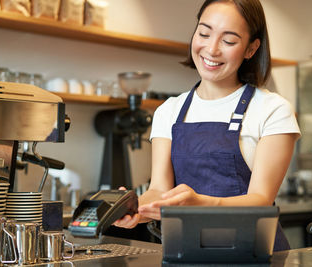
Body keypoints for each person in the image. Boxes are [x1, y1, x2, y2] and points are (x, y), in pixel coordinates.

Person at [114, 0, 300, 251]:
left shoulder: (271, 109)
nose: (211, 49)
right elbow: (160, 189)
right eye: (204, 33)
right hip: (186, 252)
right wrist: (136, 208)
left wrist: (200, 204)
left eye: (229, 41)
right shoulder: (169, 111)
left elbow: (261, 200)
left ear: (251, 49)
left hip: (254, 254)